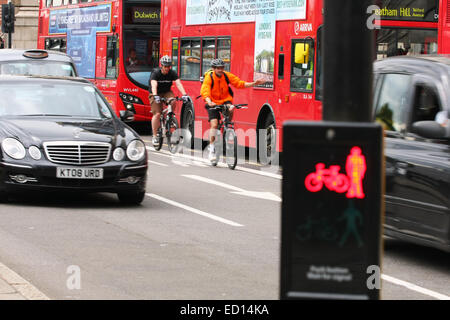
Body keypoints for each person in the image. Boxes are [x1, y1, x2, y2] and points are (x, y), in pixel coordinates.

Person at [200, 58, 265, 163]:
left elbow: (240, 83)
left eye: (222, 68)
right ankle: (211, 148)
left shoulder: (226, 75)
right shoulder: (209, 77)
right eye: (218, 68)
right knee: (215, 125)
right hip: (212, 102)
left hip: (225, 100)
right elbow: (205, 91)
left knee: (231, 107)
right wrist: (209, 101)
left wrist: (254, 83)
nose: (220, 70)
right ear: (213, 69)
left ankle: (228, 125)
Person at [149, 55, 190, 146]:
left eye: (168, 66)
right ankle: (155, 136)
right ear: (162, 66)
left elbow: (178, 84)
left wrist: (184, 94)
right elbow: (154, 85)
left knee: (173, 100)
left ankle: (170, 117)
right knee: (158, 114)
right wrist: (155, 95)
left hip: (167, 92)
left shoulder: (172, 73)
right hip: (155, 93)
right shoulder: (156, 73)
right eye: (165, 66)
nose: (167, 68)